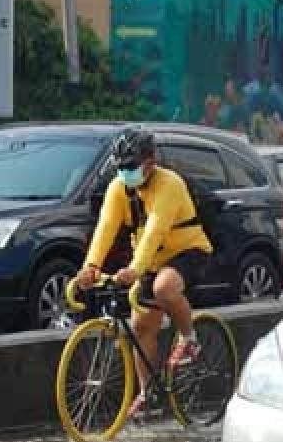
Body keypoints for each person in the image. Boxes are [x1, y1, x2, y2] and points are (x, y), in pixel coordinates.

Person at [76, 128, 212, 419]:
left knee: (164, 289)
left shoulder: (170, 183)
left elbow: (155, 230)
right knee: (141, 327)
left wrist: (135, 269)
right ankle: (146, 394)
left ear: (150, 162)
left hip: (188, 252)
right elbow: (106, 228)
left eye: (130, 167)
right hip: (150, 259)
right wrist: (91, 266)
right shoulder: (118, 188)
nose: (124, 172)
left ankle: (189, 339)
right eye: (120, 167)